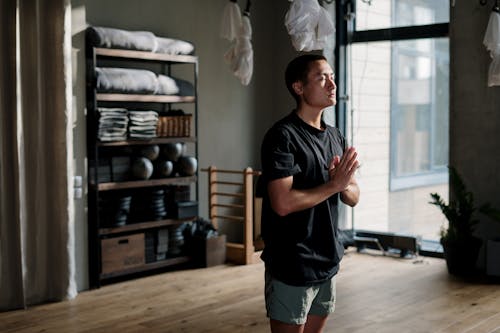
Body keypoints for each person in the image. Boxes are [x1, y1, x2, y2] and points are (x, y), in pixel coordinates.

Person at [259, 54, 360, 333]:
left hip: (328, 258)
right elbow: (282, 203)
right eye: (322, 77)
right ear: (299, 87)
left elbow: (353, 196)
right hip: (293, 262)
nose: (332, 84)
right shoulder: (282, 136)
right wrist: (333, 185)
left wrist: (344, 183)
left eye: (332, 77)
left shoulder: (336, 136)